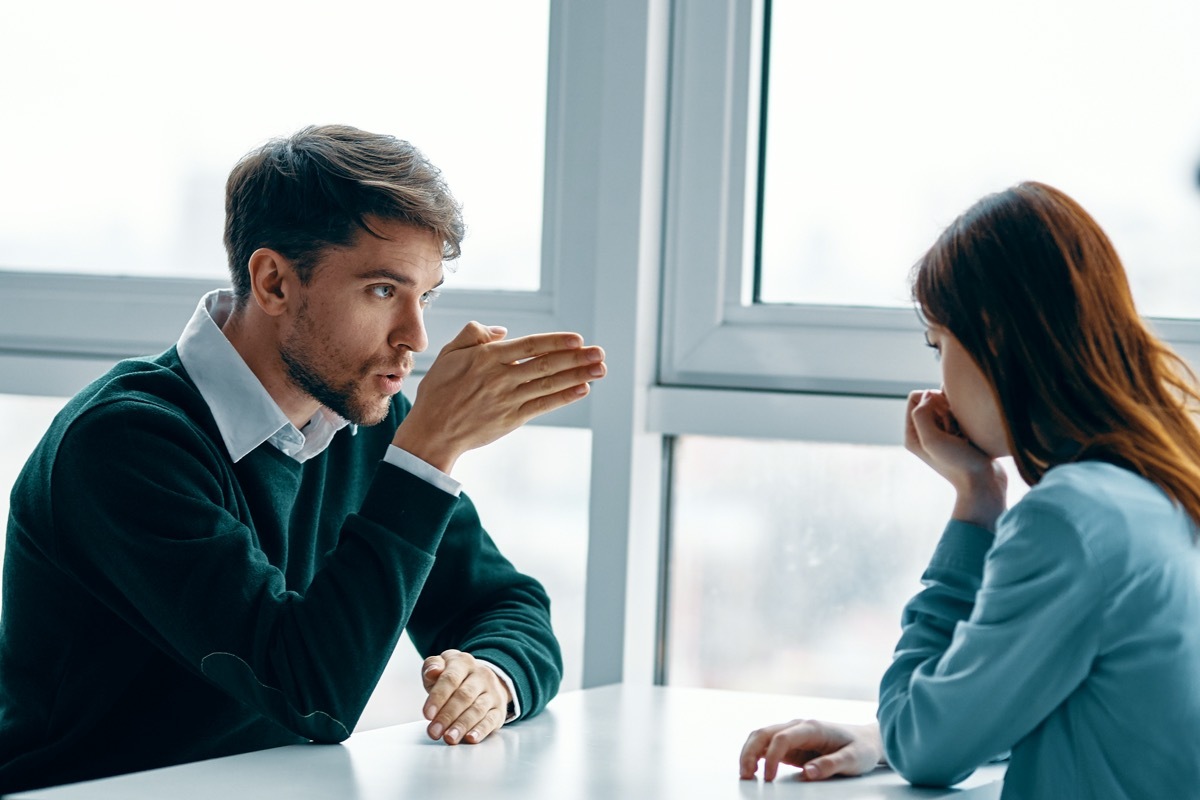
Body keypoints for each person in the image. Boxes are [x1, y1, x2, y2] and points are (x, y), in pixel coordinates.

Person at [0, 124, 607, 793]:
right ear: (274, 282)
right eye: (383, 290)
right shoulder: (124, 444)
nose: (415, 336)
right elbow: (312, 695)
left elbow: (505, 604)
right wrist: (431, 453)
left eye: (426, 295)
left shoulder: (362, 419)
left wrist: (490, 677)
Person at [739, 182, 1200, 798]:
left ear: (995, 337)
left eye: (939, 344)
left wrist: (975, 502)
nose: (939, 378)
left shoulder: (1070, 520)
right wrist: (880, 738)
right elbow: (1063, 693)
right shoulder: (1163, 490)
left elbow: (925, 747)